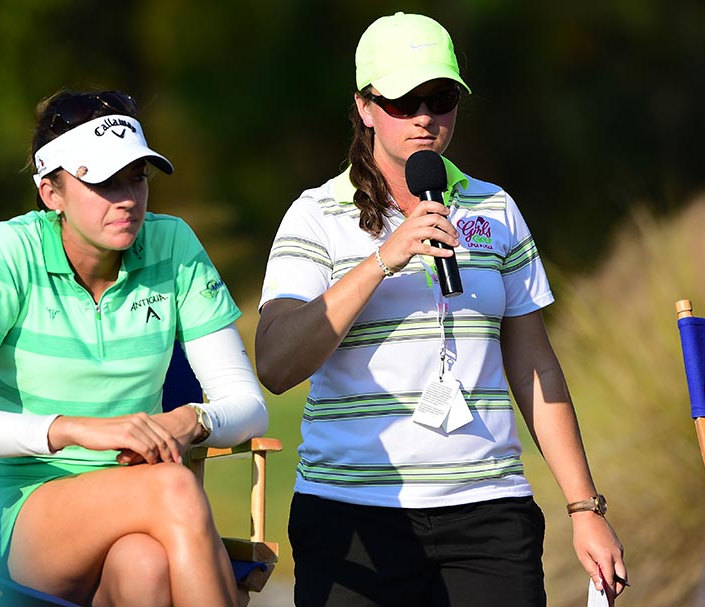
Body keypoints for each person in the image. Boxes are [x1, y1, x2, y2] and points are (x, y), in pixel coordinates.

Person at [255, 12, 626, 607]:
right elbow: (275, 363)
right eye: (404, 101)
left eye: (441, 98)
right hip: (353, 516)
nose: (426, 117)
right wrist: (382, 260)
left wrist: (585, 507)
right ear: (365, 107)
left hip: (489, 513)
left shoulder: (496, 208)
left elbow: (535, 364)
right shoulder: (315, 214)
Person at [0, 89, 268, 607]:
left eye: (137, 177)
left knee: (146, 568)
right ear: (50, 192)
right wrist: (77, 430)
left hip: (143, 508)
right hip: (21, 512)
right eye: (102, 181)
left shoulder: (174, 246)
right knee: (173, 486)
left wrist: (193, 419)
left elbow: (251, 408)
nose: (127, 198)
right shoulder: (7, 251)